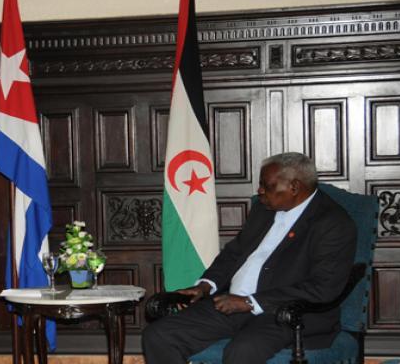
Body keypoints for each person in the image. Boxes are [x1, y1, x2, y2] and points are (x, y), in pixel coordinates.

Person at [142, 152, 357, 363]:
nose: (260, 191)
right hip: (231, 304)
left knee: (242, 351)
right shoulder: (264, 209)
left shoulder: (332, 223)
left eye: (267, 185)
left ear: (294, 187)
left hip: (286, 314)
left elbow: (323, 287)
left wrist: (250, 302)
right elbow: (234, 252)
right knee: (159, 335)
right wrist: (206, 286)